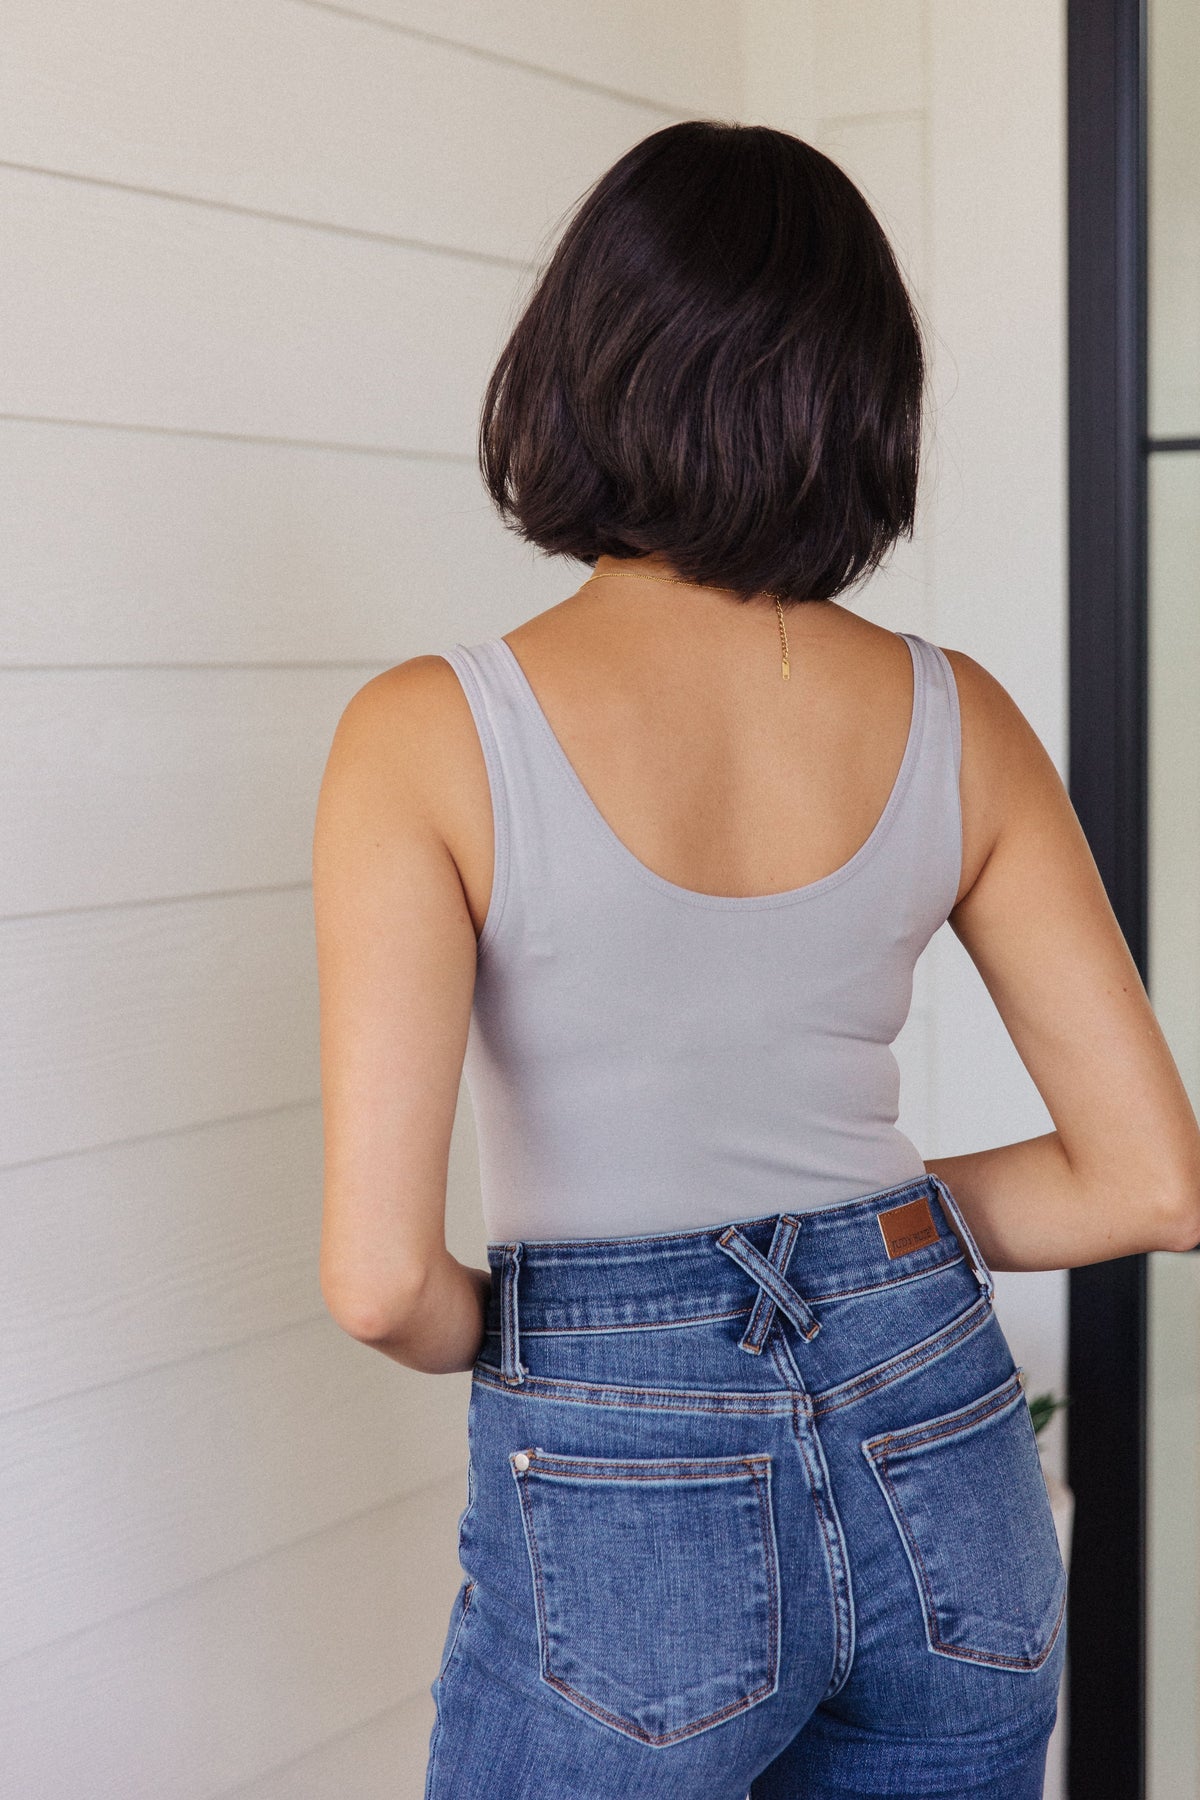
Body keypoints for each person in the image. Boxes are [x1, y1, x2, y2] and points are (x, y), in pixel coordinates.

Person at [311, 121, 1200, 1800]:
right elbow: (1150, 1182)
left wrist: (605, 1331)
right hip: (946, 1454)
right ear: (858, 398)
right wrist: (842, 1264)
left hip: (624, 1475)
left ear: (581, 365)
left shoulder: (425, 739)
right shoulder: (963, 719)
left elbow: (381, 1286)